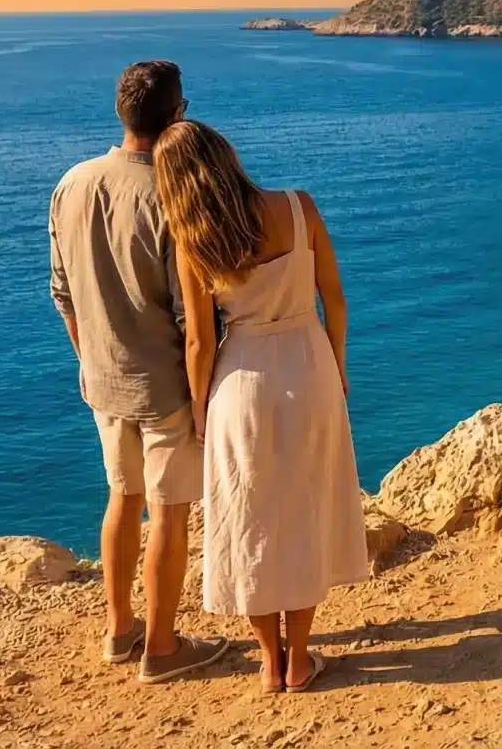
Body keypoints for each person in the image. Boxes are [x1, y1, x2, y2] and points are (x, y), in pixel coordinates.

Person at [152, 119, 366, 694]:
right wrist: (339, 365)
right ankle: (300, 660)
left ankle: (270, 663)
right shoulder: (300, 207)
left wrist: (200, 409)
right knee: (305, 510)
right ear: (226, 154)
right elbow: (334, 298)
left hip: (240, 381)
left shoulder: (194, 241)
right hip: (309, 364)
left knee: (250, 519)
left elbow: (199, 342)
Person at [49, 61, 229, 684]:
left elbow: (63, 293)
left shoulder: (71, 184)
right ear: (178, 116)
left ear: (120, 112)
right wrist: (203, 402)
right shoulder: (175, 199)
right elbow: (193, 323)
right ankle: (162, 647)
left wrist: (87, 359)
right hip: (166, 387)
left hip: (103, 380)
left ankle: (119, 630)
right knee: (169, 513)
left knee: (121, 499)